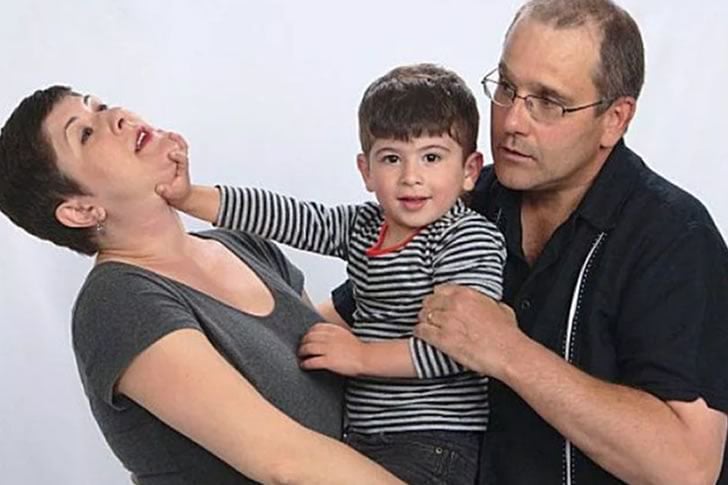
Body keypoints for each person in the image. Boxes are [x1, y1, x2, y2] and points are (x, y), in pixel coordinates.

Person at [327, 1, 728, 483]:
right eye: (506, 87)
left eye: (548, 102)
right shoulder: (459, 202)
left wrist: (508, 351)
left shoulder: (673, 235)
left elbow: (687, 467)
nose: (512, 121)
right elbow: (342, 319)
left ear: (615, 119)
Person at [0, 86, 402, 484]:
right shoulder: (116, 301)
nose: (116, 116)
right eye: (85, 133)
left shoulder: (241, 244)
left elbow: (315, 354)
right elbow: (287, 462)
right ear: (81, 210)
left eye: (100, 105)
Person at [158, 63, 506, 484]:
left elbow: (462, 349)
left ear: (469, 170)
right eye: (391, 158)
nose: (411, 177)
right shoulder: (363, 226)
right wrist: (189, 197)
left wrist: (361, 357)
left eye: (431, 157)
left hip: (435, 444)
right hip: (363, 436)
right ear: (366, 171)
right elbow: (288, 217)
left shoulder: (466, 238)